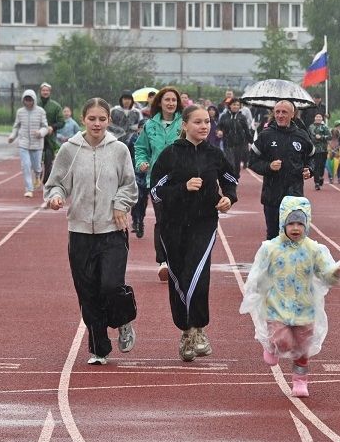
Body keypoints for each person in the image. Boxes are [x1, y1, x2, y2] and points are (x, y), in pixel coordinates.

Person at [45, 98, 138, 366]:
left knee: (111, 285)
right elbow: (56, 183)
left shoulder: (119, 150)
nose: (97, 124)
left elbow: (129, 185)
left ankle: (123, 320)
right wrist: (55, 197)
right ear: (83, 119)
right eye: (92, 119)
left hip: (113, 230)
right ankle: (99, 348)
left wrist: (120, 205)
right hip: (80, 231)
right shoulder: (69, 150)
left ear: (109, 120)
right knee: (88, 293)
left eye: (102, 119)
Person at [149, 104, 238, 362]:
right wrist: (183, 187)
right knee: (179, 277)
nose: (204, 126)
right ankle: (185, 331)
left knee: (198, 273)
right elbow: (155, 192)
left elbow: (230, 179)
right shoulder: (170, 154)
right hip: (173, 225)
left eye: (207, 122)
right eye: (198, 122)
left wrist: (229, 198)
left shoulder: (214, 154)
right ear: (184, 125)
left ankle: (199, 328)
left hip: (204, 223)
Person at [240, 196, 340, 398]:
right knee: (283, 341)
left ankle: (300, 380)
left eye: (300, 223)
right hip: (276, 306)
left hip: (305, 308)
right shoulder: (271, 248)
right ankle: (272, 346)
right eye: (291, 223)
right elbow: (258, 272)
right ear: (283, 224)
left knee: (302, 347)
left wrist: (336, 273)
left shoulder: (314, 250)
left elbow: (325, 273)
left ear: (307, 224)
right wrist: (255, 289)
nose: (296, 228)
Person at [134, 86, 184, 281]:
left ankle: (179, 259)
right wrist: (141, 162)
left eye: (174, 100)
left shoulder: (184, 123)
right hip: (157, 181)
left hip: (181, 180)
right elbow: (140, 148)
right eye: (167, 100)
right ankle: (163, 261)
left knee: (180, 220)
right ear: (160, 103)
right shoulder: (150, 125)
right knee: (162, 220)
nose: (170, 103)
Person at [249, 100, 315, 239]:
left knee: (294, 235)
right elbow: (252, 161)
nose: (280, 115)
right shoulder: (266, 135)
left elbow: (312, 157)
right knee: (273, 236)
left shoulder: (301, 135)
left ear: (292, 114)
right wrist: (268, 166)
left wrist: (310, 169)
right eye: (277, 112)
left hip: (295, 195)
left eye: (284, 112)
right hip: (272, 195)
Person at [7, 89, 49, 198]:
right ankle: (29, 189)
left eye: (30, 100)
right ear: (23, 100)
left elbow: (45, 127)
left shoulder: (40, 111)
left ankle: (37, 175)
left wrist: (40, 133)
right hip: (23, 143)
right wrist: (12, 136)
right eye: (26, 100)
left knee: (37, 166)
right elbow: (16, 126)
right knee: (26, 165)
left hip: (37, 144)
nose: (28, 102)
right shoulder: (20, 112)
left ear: (34, 100)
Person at [38, 82, 65, 184]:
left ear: (50, 92)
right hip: (37, 138)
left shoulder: (55, 106)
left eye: (47, 90)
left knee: (48, 161)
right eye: (43, 90)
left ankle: (46, 181)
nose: (45, 92)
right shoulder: (35, 105)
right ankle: (38, 175)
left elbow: (61, 122)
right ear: (40, 92)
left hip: (50, 139)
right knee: (36, 161)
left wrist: (52, 127)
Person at [217, 98, 252, 174]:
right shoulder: (224, 116)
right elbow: (219, 126)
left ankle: (235, 177)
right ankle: (230, 178)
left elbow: (247, 130)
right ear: (230, 105)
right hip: (227, 143)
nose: (236, 106)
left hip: (239, 144)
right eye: (234, 105)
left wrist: (251, 142)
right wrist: (219, 131)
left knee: (236, 164)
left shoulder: (242, 117)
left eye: (237, 105)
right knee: (230, 162)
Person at [308, 113, 332, 190]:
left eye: (320, 117)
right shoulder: (311, 127)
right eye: (317, 117)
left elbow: (330, 136)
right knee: (316, 166)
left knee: (322, 165)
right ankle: (317, 183)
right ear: (314, 118)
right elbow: (309, 136)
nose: (318, 118)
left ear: (322, 118)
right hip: (315, 150)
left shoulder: (324, 127)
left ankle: (321, 177)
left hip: (323, 150)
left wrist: (321, 137)